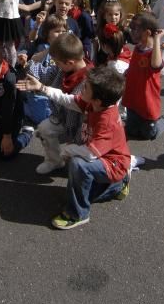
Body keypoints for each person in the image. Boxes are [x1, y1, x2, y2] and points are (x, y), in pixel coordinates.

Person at [18, 67, 130, 230]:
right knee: (83, 190)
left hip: (113, 164)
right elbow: (68, 100)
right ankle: (118, 186)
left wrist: (67, 151)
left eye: (86, 87)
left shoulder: (107, 121)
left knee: (78, 164)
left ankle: (77, 214)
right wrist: (42, 87)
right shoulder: (95, 104)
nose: (82, 87)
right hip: (103, 157)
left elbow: (91, 154)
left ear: (98, 100)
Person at [30, 32, 92, 174]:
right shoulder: (62, 67)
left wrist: (74, 142)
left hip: (83, 126)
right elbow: (46, 74)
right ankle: (54, 161)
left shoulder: (89, 80)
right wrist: (28, 64)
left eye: (57, 62)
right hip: (62, 117)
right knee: (45, 128)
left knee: (77, 162)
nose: (56, 65)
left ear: (69, 62)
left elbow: (77, 106)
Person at [122, 12, 164, 139]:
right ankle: (137, 124)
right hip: (133, 99)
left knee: (149, 134)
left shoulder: (153, 53)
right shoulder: (138, 47)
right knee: (131, 131)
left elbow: (155, 64)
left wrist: (158, 39)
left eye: (135, 30)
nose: (131, 32)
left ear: (147, 33)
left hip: (146, 101)